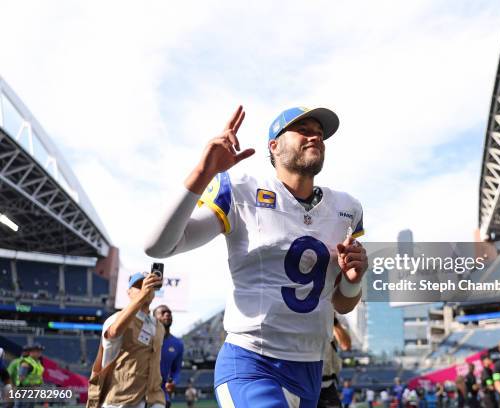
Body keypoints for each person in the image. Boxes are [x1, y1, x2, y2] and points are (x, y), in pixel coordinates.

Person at [145, 106, 368, 408]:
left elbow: (341, 302)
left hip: (311, 368)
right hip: (252, 361)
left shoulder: (347, 209)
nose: (315, 136)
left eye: (319, 132)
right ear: (273, 146)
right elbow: (158, 246)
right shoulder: (242, 191)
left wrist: (353, 281)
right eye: (303, 129)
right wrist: (203, 172)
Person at [87, 272, 165, 408]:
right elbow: (114, 332)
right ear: (129, 292)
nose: (144, 288)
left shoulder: (158, 326)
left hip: (153, 400)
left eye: (148, 284)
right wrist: (141, 297)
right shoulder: (115, 318)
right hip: (120, 401)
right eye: (138, 286)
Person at [154, 304, 184, 408]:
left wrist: (174, 382)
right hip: (140, 394)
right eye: (162, 313)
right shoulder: (146, 339)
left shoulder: (178, 344)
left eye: (169, 313)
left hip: (162, 396)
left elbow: (177, 370)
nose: (167, 314)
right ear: (154, 318)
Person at [318, 316, 351, 408]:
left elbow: (346, 345)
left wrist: (334, 320)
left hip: (326, 385)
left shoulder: (337, 318)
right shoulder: (297, 311)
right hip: (301, 383)